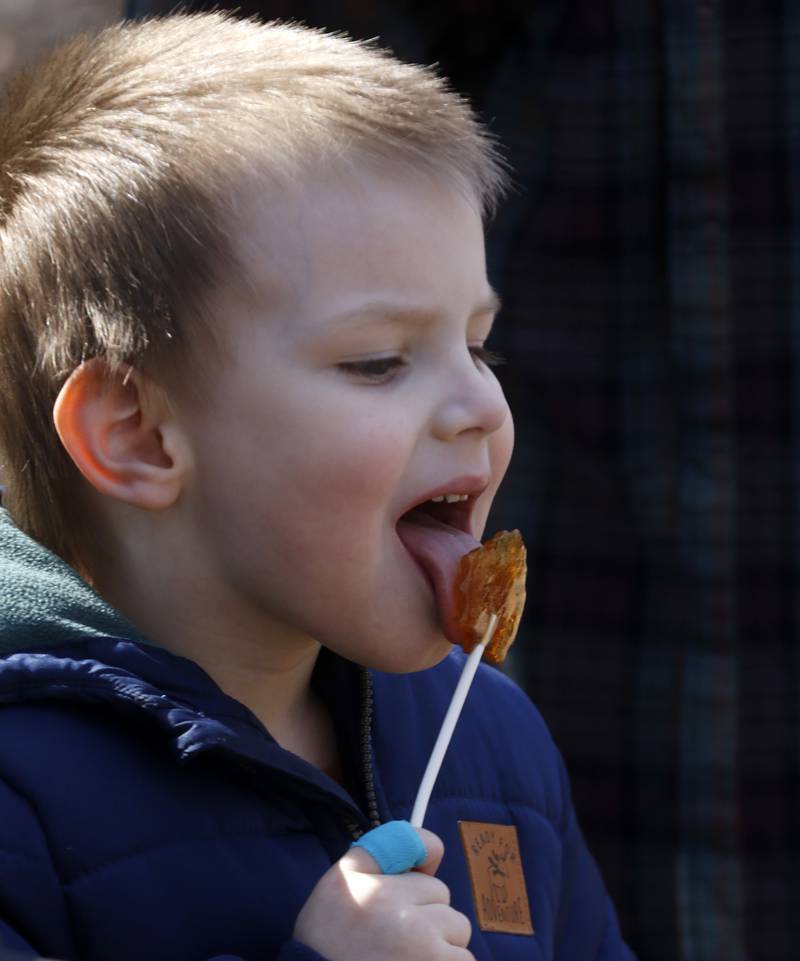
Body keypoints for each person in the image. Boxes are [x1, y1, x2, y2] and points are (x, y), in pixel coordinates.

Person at [0, 13, 636, 961]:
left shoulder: (493, 741)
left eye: (476, 344)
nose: (480, 404)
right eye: (379, 361)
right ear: (138, 435)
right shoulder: (23, 784)